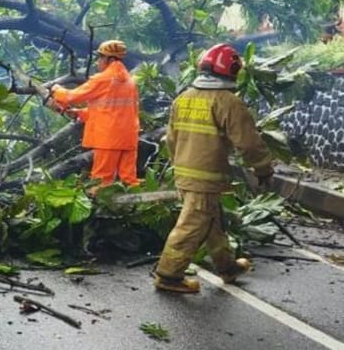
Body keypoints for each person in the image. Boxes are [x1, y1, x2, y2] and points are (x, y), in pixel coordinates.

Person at [153, 43, 274, 294]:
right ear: (231, 71)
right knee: (191, 226)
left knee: (212, 222)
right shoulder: (228, 102)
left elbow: (171, 139)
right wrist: (263, 169)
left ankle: (227, 267)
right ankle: (168, 275)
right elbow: (248, 142)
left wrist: (180, 167)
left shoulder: (183, 98)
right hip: (206, 177)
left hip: (184, 173)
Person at [49, 39, 140, 188]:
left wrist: (56, 90)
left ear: (110, 59)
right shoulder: (129, 81)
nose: (98, 61)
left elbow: (71, 97)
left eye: (100, 57)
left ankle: (99, 201)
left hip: (109, 138)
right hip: (128, 136)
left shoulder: (103, 79)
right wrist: (80, 113)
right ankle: (138, 201)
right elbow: (116, 110)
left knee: (101, 181)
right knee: (129, 180)